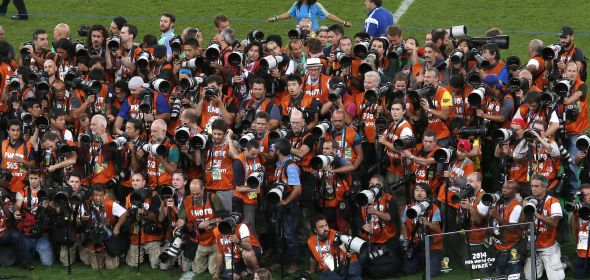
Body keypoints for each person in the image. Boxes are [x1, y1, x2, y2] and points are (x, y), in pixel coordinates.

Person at [520, 174, 565, 280]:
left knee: (556, 278)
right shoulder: (528, 200)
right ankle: (545, 267)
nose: (533, 189)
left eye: (537, 186)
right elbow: (522, 225)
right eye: (532, 186)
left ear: (545, 187)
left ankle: (563, 263)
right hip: (532, 246)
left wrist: (536, 214)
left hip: (548, 246)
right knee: (529, 277)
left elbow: (555, 224)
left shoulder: (553, 202)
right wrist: (524, 210)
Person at [306, 214, 362, 280]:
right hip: (329, 268)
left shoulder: (336, 235)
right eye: (321, 227)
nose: (325, 229)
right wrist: (312, 269)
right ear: (315, 230)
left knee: (353, 275)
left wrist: (348, 251)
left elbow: (347, 250)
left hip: (348, 262)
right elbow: (312, 256)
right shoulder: (311, 241)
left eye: (326, 225)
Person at [489, 180, 522, 276]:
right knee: (500, 275)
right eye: (503, 187)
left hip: (512, 247)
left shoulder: (516, 206)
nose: (504, 190)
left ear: (515, 191)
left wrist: (496, 215)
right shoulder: (499, 203)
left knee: (513, 276)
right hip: (499, 245)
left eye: (508, 188)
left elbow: (511, 228)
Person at [267, 0, 351, 32]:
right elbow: (288, 14)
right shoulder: (297, 4)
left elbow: (328, 15)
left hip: (313, 34)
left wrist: (343, 22)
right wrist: (275, 18)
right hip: (300, 33)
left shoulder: (316, 5)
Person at [570, 183, 590, 279]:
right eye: (585, 195)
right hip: (582, 250)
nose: (588, 197)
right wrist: (574, 214)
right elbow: (573, 232)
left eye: (589, 193)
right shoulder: (578, 210)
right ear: (581, 197)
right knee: (579, 276)